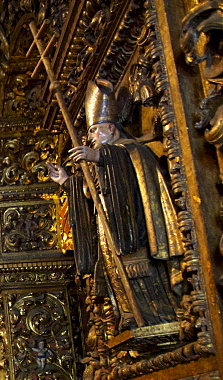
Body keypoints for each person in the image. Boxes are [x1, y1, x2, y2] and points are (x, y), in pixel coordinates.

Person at [48, 79, 184, 330]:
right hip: (108, 228)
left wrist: (100, 157)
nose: (90, 139)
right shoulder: (100, 160)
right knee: (114, 273)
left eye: (93, 132)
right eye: (90, 133)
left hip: (134, 229)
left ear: (110, 128)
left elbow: (135, 178)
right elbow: (91, 194)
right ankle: (129, 313)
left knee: (139, 272)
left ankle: (160, 317)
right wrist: (68, 182)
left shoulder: (131, 151)